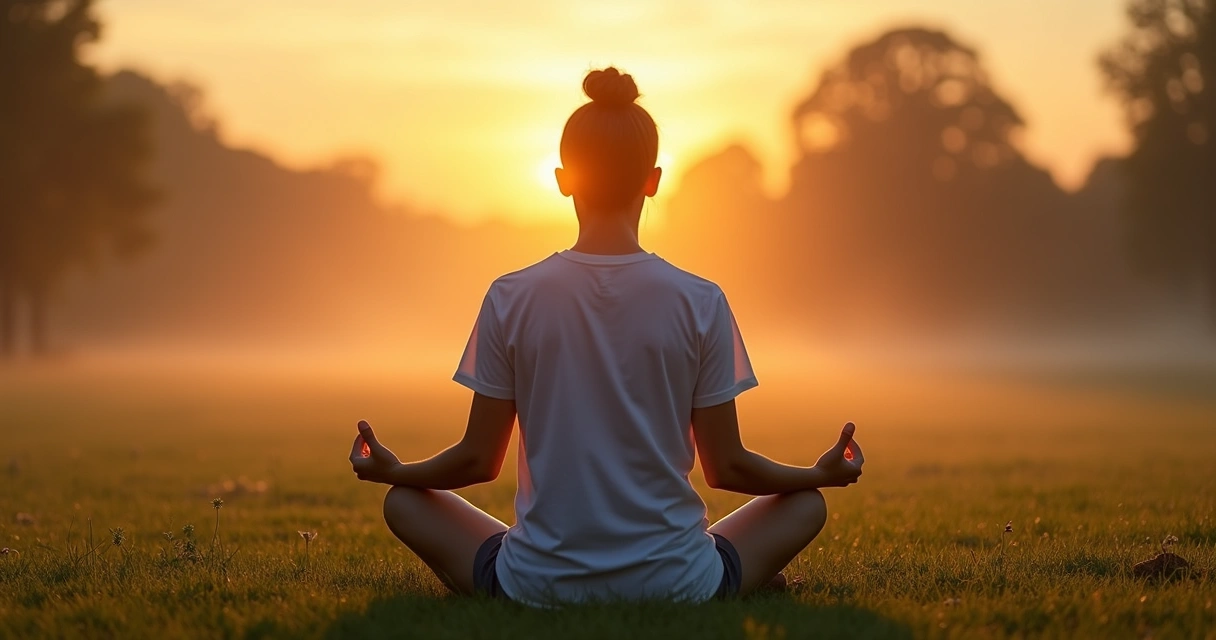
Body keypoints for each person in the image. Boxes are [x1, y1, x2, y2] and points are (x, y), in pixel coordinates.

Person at [348, 67, 864, 606]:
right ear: (654, 179)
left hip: (534, 585)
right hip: (681, 585)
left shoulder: (511, 295)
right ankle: (715, 571)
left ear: (563, 178)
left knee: (402, 501)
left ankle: (526, 574)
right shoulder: (700, 300)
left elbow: (479, 460)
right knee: (808, 503)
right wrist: (816, 473)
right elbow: (726, 466)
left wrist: (398, 470)